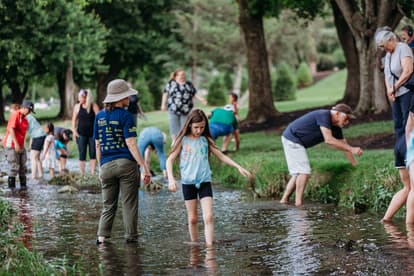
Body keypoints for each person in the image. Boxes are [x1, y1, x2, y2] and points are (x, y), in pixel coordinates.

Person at [167, 109, 251, 246]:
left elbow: (221, 155)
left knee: (209, 217)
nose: (199, 130)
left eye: (202, 127)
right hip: (188, 183)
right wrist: (171, 179)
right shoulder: (182, 140)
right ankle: (195, 246)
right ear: (189, 125)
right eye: (196, 127)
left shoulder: (206, 139)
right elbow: (170, 159)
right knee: (193, 218)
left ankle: (209, 248)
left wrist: (238, 166)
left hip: (205, 182)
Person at [95, 79, 151, 245]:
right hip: (126, 165)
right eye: (127, 95)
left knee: (108, 205)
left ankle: (101, 239)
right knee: (129, 204)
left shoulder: (99, 117)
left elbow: (97, 144)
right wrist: (144, 167)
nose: (130, 99)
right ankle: (131, 238)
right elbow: (131, 143)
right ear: (120, 98)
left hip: (106, 165)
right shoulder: (126, 116)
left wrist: (100, 168)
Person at [280, 104, 363, 206]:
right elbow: (328, 140)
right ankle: (298, 205)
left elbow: (344, 146)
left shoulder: (335, 127)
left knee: (298, 173)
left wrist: (355, 164)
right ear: (337, 114)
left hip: (293, 140)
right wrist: (352, 149)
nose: (347, 122)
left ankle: (284, 201)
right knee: (304, 172)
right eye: (346, 118)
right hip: (292, 139)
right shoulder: (324, 115)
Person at [375, 27, 414, 221]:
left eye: (384, 45)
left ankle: (406, 151)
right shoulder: (388, 55)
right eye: (381, 47)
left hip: (406, 92)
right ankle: (403, 152)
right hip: (396, 96)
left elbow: (407, 71)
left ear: (391, 39)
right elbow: (386, 76)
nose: (384, 49)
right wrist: (389, 90)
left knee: (408, 123)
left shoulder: (403, 49)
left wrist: (396, 87)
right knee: (399, 128)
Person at [161, 69, 207, 142]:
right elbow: (165, 94)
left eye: (183, 74)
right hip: (173, 108)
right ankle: (174, 141)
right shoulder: (170, 83)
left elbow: (194, 94)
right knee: (173, 125)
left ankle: (182, 141)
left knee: (184, 126)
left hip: (186, 109)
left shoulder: (188, 84)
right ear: (176, 76)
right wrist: (163, 105)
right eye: (181, 74)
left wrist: (201, 99)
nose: (183, 76)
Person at [3, 100, 35, 191]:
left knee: (23, 166)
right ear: (24, 108)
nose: (29, 113)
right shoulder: (15, 114)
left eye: (30, 111)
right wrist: (16, 144)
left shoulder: (25, 119)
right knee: (14, 166)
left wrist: (22, 145)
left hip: (20, 145)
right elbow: (11, 129)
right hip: (11, 144)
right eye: (28, 110)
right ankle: (12, 189)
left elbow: (22, 134)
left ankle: (23, 187)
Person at [72, 89, 100, 175]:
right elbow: (74, 120)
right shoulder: (77, 106)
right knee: (82, 154)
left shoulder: (93, 106)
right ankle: (82, 174)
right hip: (81, 134)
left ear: (85, 98)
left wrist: (99, 131)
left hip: (92, 134)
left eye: (80, 97)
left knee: (93, 154)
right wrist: (74, 131)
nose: (79, 99)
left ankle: (92, 173)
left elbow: (99, 118)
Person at [26, 112, 47, 180]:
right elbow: (32, 132)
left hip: (38, 136)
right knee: (37, 157)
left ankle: (33, 176)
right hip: (40, 136)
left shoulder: (25, 117)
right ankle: (41, 175)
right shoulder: (30, 117)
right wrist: (30, 145)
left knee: (33, 157)